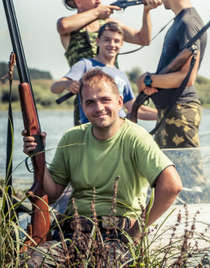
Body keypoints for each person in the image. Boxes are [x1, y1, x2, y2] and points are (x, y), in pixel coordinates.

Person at [23, 69, 182, 266]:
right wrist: (38, 156)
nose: (99, 108)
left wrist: (137, 233)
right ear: (82, 106)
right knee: (33, 263)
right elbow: (53, 193)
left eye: (105, 100)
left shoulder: (136, 137)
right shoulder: (71, 137)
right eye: (90, 102)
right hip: (73, 234)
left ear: (119, 102)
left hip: (118, 237)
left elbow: (172, 186)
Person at [59, 0, 161, 125]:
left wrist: (147, 11)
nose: (99, 1)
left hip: (113, 96)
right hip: (87, 102)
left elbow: (143, 39)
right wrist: (97, 13)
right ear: (78, 1)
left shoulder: (109, 24)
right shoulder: (69, 26)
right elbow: (63, 26)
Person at [136, 0, 207, 148]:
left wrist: (149, 80)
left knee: (189, 174)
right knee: (167, 174)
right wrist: (151, 82)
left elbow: (187, 77)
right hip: (171, 110)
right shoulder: (181, 21)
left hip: (180, 110)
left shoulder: (187, 23)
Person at [51, 22, 158, 123]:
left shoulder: (121, 75)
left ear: (121, 44)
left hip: (119, 131)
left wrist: (162, 115)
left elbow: (134, 108)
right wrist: (67, 84)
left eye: (116, 41)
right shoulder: (85, 65)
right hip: (93, 131)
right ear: (98, 41)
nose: (112, 44)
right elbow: (54, 88)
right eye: (107, 40)